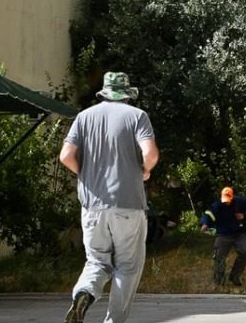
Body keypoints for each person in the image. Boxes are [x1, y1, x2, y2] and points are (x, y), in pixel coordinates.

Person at [59, 72, 159, 323]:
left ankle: (84, 292)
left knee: (97, 261)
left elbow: (65, 156)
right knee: (127, 266)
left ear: (104, 91)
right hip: (128, 205)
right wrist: (144, 170)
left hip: (92, 205)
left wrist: (86, 174)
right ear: (126, 94)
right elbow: (150, 154)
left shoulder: (83, 117)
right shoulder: (137, 117)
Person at [199, 186, 246, 286]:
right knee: (219, 257)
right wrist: (204, 224)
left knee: (244, 252)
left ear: (232, 197)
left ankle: (235, 276)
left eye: (228, 200)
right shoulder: (217, 205)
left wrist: (245, 215)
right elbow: (207, 214)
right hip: (223, 234)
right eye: (224, 200)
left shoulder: (240, 201)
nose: (226, 202)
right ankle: (219, 280)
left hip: (240, 233)